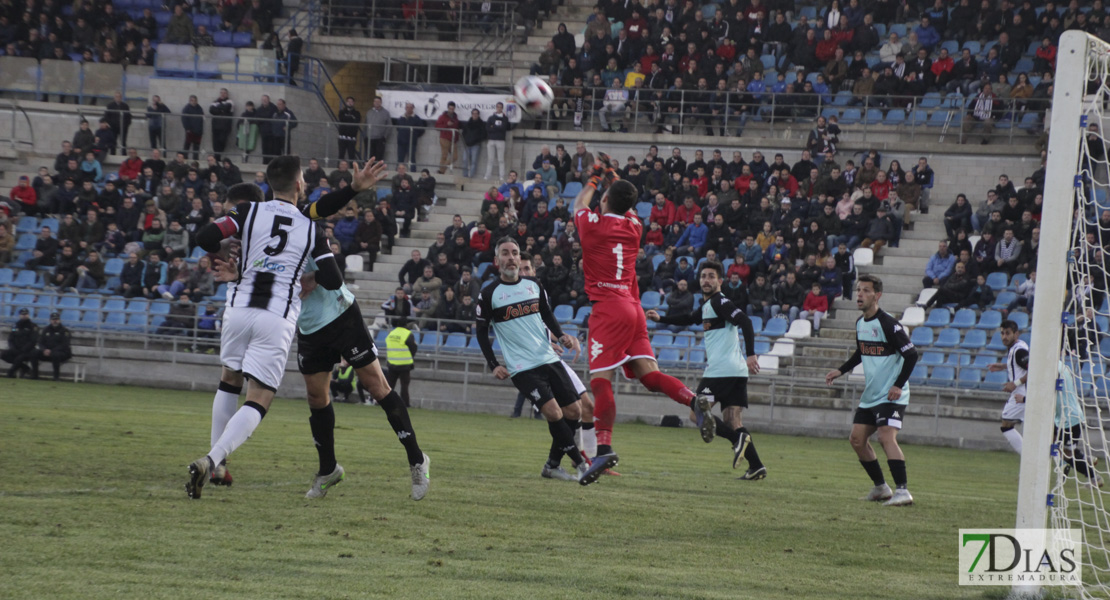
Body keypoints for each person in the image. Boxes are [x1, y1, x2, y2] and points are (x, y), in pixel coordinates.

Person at [184, 156, 344, 500]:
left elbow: (205, 236)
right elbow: (333, 278)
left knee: (230, 378)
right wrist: (308, 277)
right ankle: (213, 460)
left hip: (239, 308)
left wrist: (228, 254)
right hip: (277, 315)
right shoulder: (308, 225)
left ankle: (219, 462)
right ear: (300, 185)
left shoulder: (247, 212)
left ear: (270, 184)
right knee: (260, 396)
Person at [572, 153, 713, 485]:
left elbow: (580, 202)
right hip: (634, 307)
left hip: (608, 307)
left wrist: (595, 176)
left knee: (601, 382)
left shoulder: (594, 226)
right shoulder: (635, 226)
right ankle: (693, 400)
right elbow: (626, 199)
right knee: (650, 377)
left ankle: (604, 449)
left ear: (605, 199)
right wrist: (614, 176)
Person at [476, 237, 588, 481]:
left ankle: (552, 465)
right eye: (504, 253)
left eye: (514, 252)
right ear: (496, 261)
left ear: (519, 257)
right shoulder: (489, 294)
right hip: (522, 367)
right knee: (553, 412)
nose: (510, 257)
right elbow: (481, 333)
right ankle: (581, 465)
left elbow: (546, 314)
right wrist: (494, 365)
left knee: (574, 410)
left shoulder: (534, 285)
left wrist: (561, 336)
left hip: (548, 358)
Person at [646, 261, 766, 478]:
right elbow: (689, 318)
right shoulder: (708, 305)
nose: (706, 280)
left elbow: (746, 322)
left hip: (721, 371)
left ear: (720, 281)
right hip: (736, 371)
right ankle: (756, 465)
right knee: (733, 422)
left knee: (696, 413)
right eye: (703, 276)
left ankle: (735, 440)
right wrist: (661, 318)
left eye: (711, 276)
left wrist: (751, 354)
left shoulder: (720, 301)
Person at [825, 274, 918, 507]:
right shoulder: (860, 323)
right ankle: (881, 488)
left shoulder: (889, 324)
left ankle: (903, 491)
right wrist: (841, 370)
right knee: (857, 439)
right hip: (872, 394)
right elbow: (861, 352)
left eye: (865, 291)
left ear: (877, 296)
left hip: (891, 394)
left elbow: (911, 354)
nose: (859, 295)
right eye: (858, 290)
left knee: (886, 437)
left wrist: (898, 385)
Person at [987, 320, 1028, 455]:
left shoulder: (1019, 351)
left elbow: (1034, 370)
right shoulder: (1017, 348)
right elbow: (1019, 365)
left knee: (1006, 425)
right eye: (1002, 333)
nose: (1004, 337)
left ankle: (1027, 458)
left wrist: (1014, 383)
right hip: (1022, 393)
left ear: (1016, 334)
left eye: (1008, 333)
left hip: (1021, 395)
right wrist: (1003, 366)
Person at [30, 312, 72, 381]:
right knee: (33, 353)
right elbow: (40, 342)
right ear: (50, 320)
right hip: (47, 352)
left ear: (59, 320)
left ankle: (56, 377)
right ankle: (35, 375)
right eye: (53, 319)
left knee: (56, 355)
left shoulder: (65, 331)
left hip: (62, 353)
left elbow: (65, 345)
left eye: (56, 319)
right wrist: (44, 350)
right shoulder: (46, 330)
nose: (55, 321)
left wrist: (52, 351)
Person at [385, 324, 418, 407]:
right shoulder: (407, 334)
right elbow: (413, 347)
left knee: (390, 385)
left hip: (392, 363)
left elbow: (388, 343)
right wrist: (411, 357)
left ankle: (386, 402)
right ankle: (405, 403)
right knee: (404, 385)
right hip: (404, 364)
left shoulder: (392, 333)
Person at [2, 308, 38, 378]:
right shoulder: (15, 325)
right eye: (22, 314)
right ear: (20, 315)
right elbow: (10, 339)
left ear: (28, 315)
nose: (24, 316)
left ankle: (10, 373)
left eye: (25, 314)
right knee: (3, 355)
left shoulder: (33, 326)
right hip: (15, 349)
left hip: (27, 350)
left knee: (19, 358)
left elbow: (33, 340)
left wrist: (23, 349)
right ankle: (25, 367)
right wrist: (12, 348)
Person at [483, 102, 511, 180]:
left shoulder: (505, 118)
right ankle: (487, 175)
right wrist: (496, 127)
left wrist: (493, 127)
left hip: (501, 140)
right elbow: (488, 128)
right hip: (491, 140)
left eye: (500, 107)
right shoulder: (491, 118)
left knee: (501, 159)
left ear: (502, 108)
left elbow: (503, 128)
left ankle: (501, 176)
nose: (499, 108)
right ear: (496, 107)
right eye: (497, 107)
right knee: (490, 159)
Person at [209, 88, 235, 160]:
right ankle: (217, 159)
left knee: (222, 142)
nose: (223, 94)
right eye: (221, 93)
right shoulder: (215, 101)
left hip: (225, 127)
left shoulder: (230, 101)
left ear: (227, 94)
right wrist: (221, 109)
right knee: (215, 143)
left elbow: (227, 108)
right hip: (215, 126)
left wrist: (218, 108)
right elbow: (211, 110)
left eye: (224, 93)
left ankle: (218, 157)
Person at [337, 96, 361, 161]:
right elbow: (341, 119)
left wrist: (347, 118)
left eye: (351, 102)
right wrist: (351, 118)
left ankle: (352, 170)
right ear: (346, 102)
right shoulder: (342, 112)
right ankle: (339, 169)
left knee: (351, 156)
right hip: (342, 137)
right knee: (341, 155)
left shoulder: (357, 113)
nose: (350, 103)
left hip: (352, 138)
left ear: (353, 103)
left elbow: (357, 121)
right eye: (348, 101)